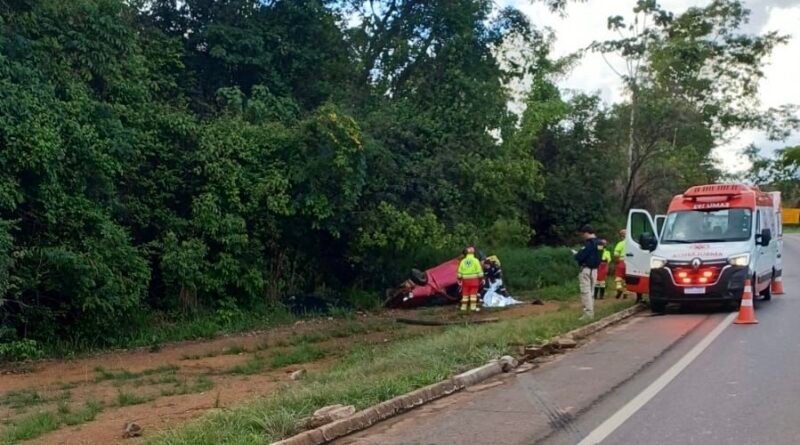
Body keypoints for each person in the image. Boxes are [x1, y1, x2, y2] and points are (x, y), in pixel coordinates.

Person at [574, 225, 602, 320]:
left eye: (583, 234)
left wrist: (577, 254)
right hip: (595, 270)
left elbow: (579, 257)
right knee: (592, 292)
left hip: (586, 269)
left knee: (585, 292)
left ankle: (588, 314)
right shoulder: (600, 243)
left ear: (586, 233)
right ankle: (591, 312)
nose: (582, 236)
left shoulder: (588, 244)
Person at [457, 246, 484, 312]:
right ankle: (473, 307)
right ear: (473, 252)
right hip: (474, 280)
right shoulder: (476, 260)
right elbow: (479, 272)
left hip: (465, 280)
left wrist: (460, 278)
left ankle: (463, 307)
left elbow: (459, 272)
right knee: (473, 295)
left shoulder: (463, 261)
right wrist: (481, 278)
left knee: (465, 294)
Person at [613, 229, 627, 299]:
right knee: (626, 278)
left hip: (621, 261)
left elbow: (616, 254)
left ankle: (619, 288)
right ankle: (625, 292)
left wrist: (616, 261)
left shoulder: (620, 244)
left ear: (621, 236)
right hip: (630, 263)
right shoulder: (632, 243)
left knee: (618, 276)